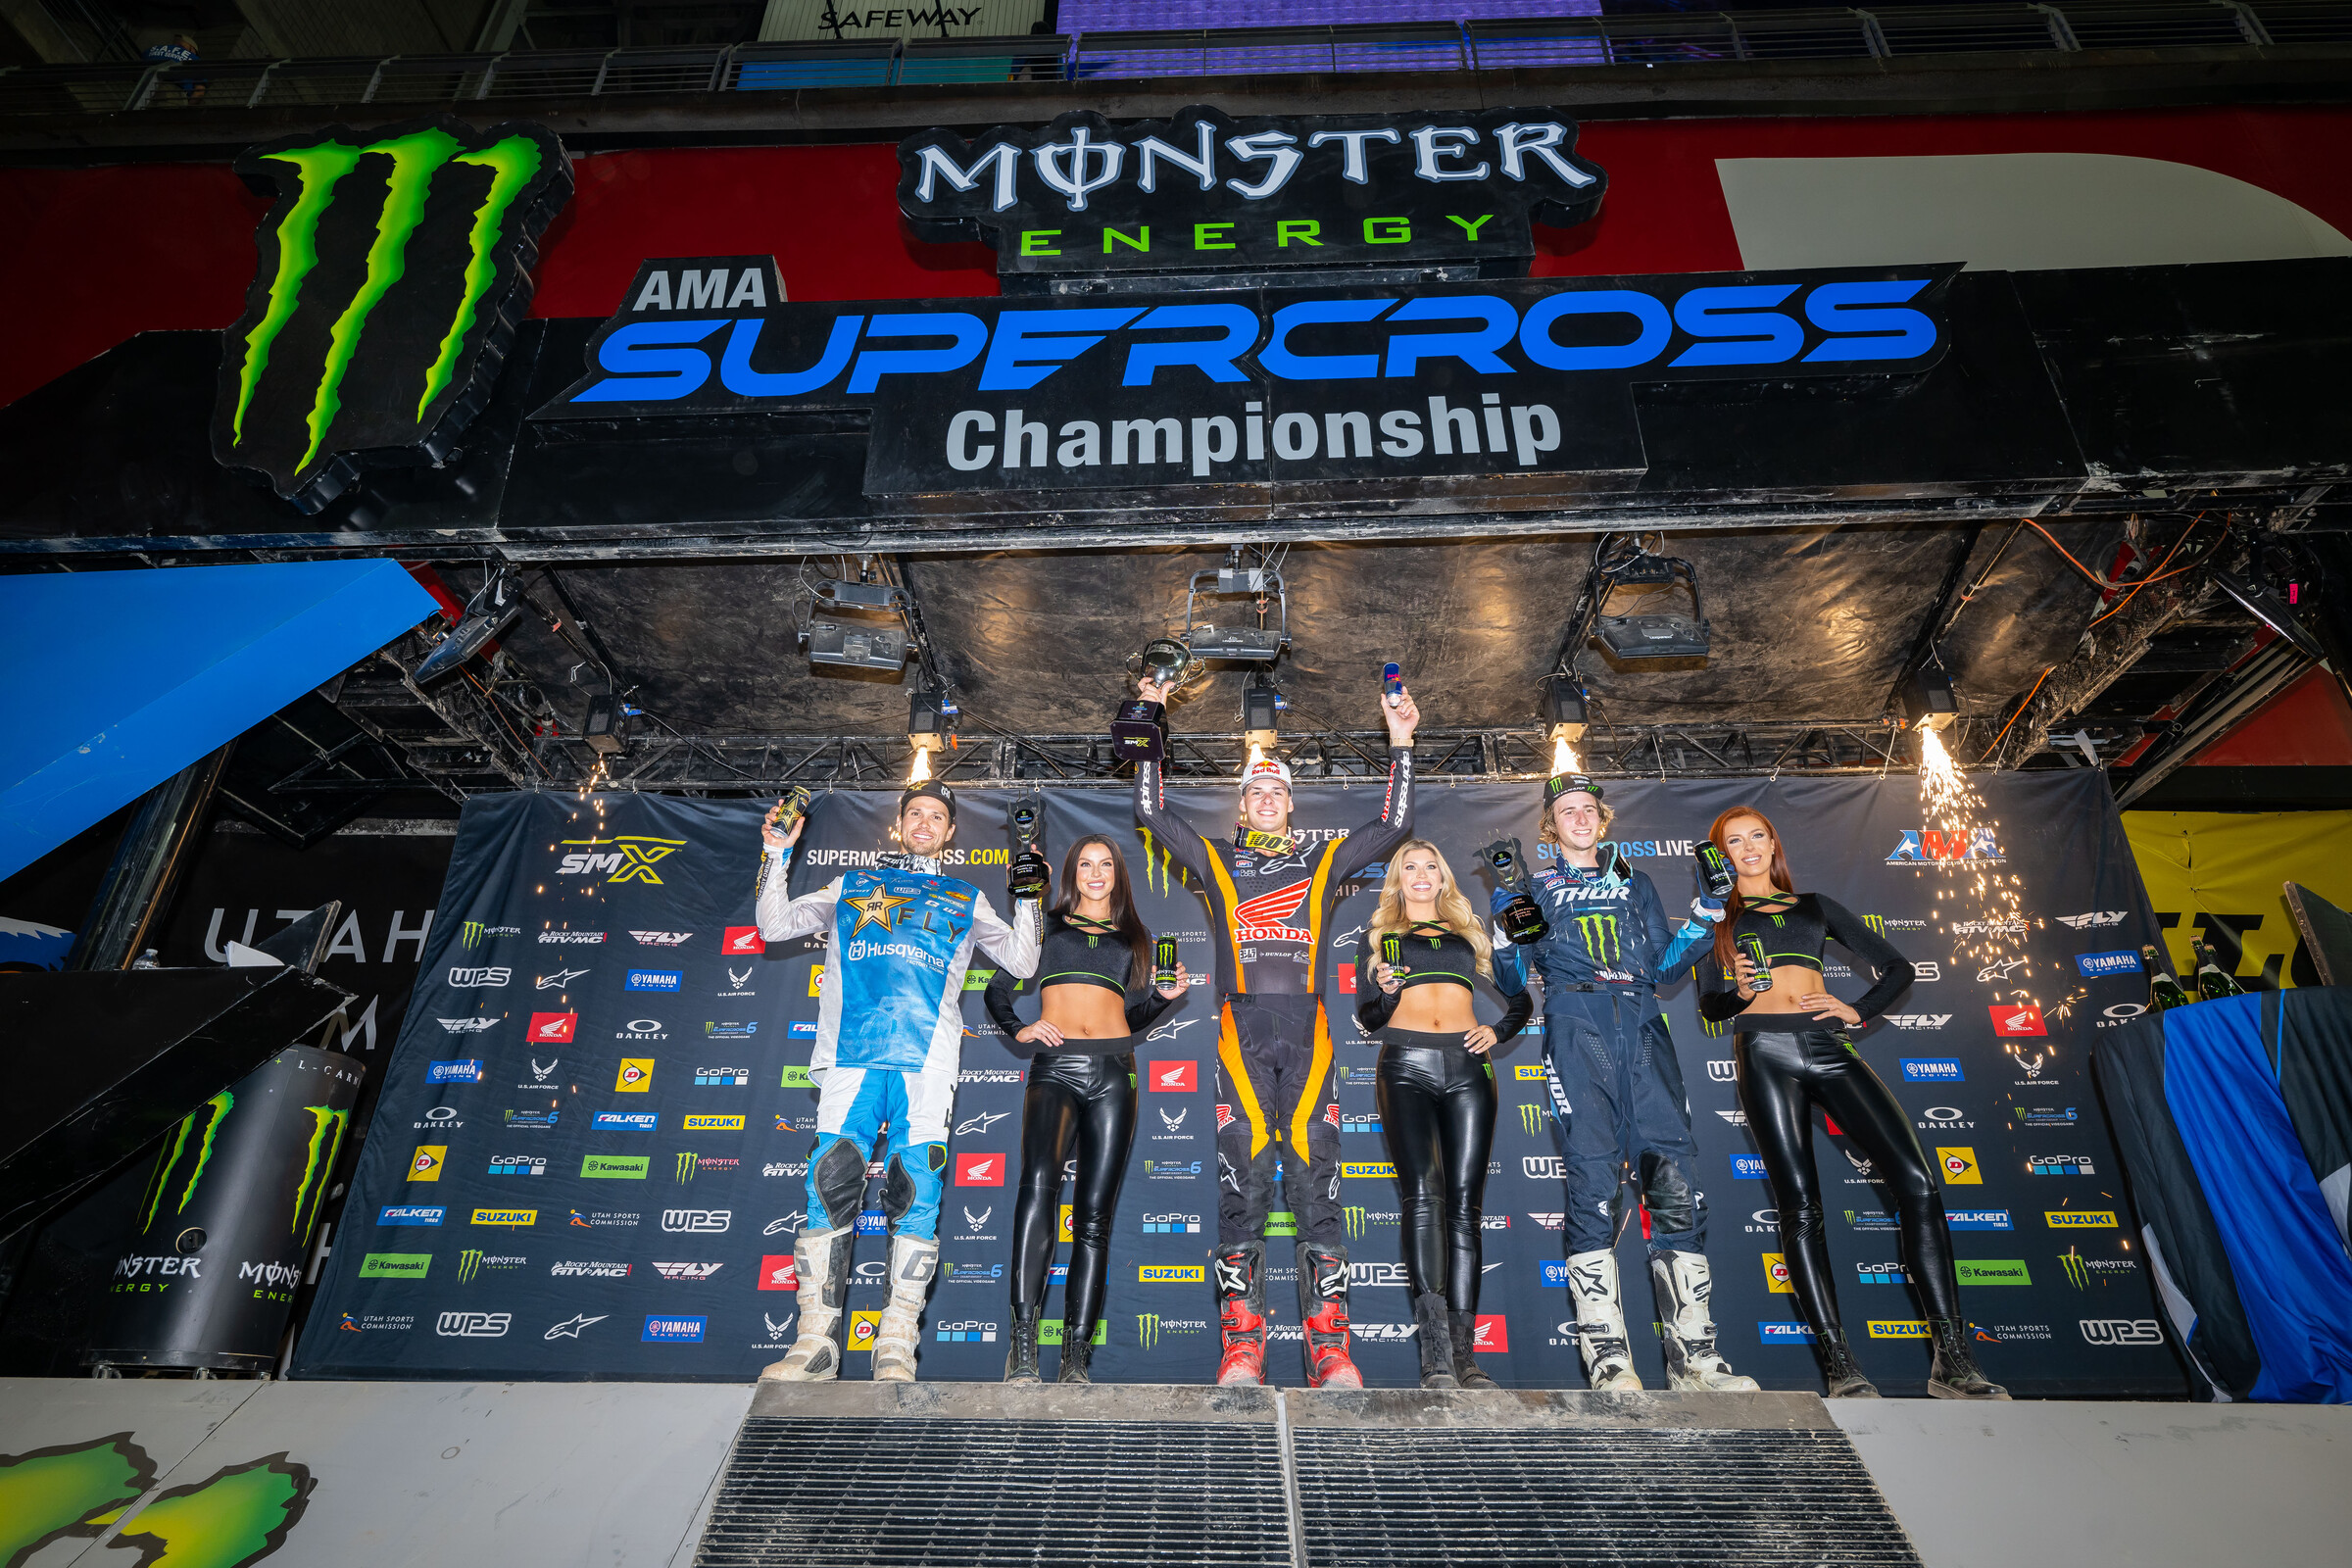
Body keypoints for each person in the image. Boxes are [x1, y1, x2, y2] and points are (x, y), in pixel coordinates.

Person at [1132, 668, 1420, 1389]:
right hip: (1240, 1033)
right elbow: (1149, 811)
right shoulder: (1217, 857)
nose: (1266, 800)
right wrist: (1150, 717)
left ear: (1292, 804)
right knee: (1245, 1184)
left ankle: (1331, 1352)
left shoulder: (1323, 859)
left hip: (1312, 1036)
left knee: (1319, 1189)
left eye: (1277, 791)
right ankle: (1242, 1351)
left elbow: (1392, 827)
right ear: (1242, 806)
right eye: (1255, 791)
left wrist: (1402, 742)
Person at [1698, 807, 2007, 1399]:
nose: (1748, 848)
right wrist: (1738, 990)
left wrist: (1857, 1010)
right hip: (1765, 1052)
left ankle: (1953, 1360)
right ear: (1722, 857)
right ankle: (1841, 1367)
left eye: (1757, 836)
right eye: (1733, 842)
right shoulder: (1718, 921)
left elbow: (1898, 967)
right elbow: (1711, 1010)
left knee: (1918, 1183)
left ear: (1773, 843)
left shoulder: (1814, 906)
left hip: (1829, 1046)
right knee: (1801, 1205)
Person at [754, 781, 1041, 1383]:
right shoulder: (854, 883)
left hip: (927, 1063)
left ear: (949, 830)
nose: (926, 824)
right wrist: (777, 853)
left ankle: (896, 1345)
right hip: (851, 1058)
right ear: (901, 823)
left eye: (937, 817)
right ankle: (816, 1344)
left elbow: (1022, 962)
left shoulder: (964, 894)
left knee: (916, 1193)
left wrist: (1028, 898)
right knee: (830, 1183)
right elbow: (775, 925)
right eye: (916, 814)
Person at [1497, 774, 1758, 1393]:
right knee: (1592, 1181)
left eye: (1589, 809)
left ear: (1603, 819)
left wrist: (1708, 911)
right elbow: (1512, 983)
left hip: (1642, 1023)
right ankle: (1609, 1360)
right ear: (1551, 826)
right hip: (1575, 1022)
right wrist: (1510, 931)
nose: (1580, 818)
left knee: (1673, 1176)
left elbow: (1667, 967)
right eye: (1567, 811)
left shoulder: (1637, 882)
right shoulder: (1529, 887)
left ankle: (1696, 1357)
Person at [986, 835, 1190, 1384]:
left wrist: (1163, 1001)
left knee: (1095, 1220)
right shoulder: (1044, 928)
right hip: (1055, 1068)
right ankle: (1023, 1347)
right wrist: (1019, 1028)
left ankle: (1076, 1358)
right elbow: (997, 990)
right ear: (1070, 873)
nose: (1095, 874)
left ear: (1117, 874)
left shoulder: (1135, 936)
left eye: (1105, 865)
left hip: (1116, 1075)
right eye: (1085, 864)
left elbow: (1133, 1015)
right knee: (1037, 1194)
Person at [1354, 841, 1531, 1388]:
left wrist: (1497, 1030)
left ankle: (1464, 1357)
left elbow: (1520, 1000)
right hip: (1404, 1066)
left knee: (1464, 1209)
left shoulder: (1469, 938)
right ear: (1398, 881)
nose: (1422, 874)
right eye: (1411, 867)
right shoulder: (1381, 940)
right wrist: (1384, 991)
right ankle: (1434, 1357)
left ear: (1444, 877)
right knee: (1424, 1196)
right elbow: (1368, 1016)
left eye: (1432, 865)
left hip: (1468, 1070)